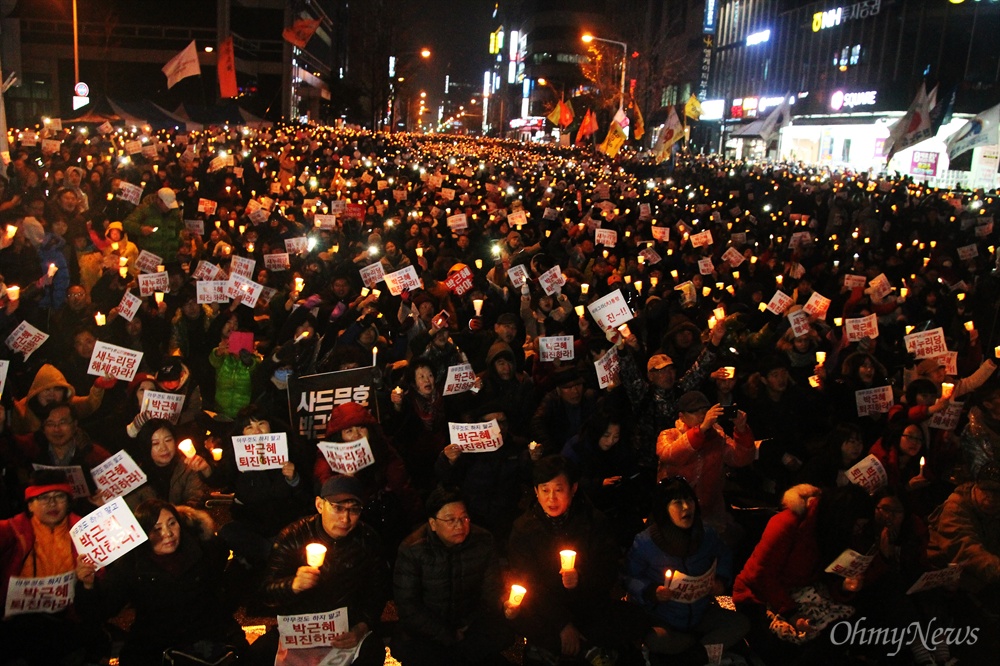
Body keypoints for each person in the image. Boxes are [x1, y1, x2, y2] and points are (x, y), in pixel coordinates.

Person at [506, 455, 647, 665]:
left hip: (587, 604)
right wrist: (563, 624)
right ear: (536, 491)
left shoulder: (594, 522)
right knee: (523, 617)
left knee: (627, 621)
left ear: (573, 489)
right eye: (545, 490)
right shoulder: (524, 529)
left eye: (559, 489)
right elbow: (527, 582)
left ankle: (571, 649)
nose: (551, 498)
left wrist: (580, 578)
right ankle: (585, 649)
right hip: (547, 609)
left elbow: (608, 571)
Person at [75, 499, 248, 665]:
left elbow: (224, 590)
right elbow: (101, 610)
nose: (168, 534)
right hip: (155, 642)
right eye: (156, 529)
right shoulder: (131, 563)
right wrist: (88, 586)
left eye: (172, 523)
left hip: (204, 634)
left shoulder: (202, 549)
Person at [256, 475, 390, 666]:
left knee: (373, 652)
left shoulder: (367, 540)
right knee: (257, 654)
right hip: (299, 629)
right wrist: (292, 585)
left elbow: (377, 593)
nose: (345, 518)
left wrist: (361, 627)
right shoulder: (293, 536)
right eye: (338, 508)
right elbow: (265, 593)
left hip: (346, 628)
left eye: (354, 510)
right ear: (320, 505)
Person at [625, 477, 749, 664]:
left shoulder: (706, 534)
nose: (686, 507)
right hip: (664, 617)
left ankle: (689, 655)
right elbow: (629, 576)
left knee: (740, 624)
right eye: (677, 502)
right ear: (664, 509)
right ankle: (699, 650)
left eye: (689, 500)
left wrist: (721, 580)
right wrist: (652, 591)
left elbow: (724, 555)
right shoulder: (646, 542)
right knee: (656, 639)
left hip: (700, 612)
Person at [392, 486, 513, 665]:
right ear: (433, 524)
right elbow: (407, 605)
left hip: (470, 625)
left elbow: (492, 589)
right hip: (429, 631)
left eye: (464, 518)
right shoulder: (413, 549)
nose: (460, 526)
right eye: (450, 520)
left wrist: (505, 604)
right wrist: (445, 633)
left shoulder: (483, 541)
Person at [0, 470, 95, 665]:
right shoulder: (13, 530)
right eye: (43, 498)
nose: (52, 504)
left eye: (59, 496)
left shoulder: (85, 531)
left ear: (69, 502)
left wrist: (88, 584)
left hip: (67, 623)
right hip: (18, 624)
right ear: (30, 505)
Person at [656, 391, 755, 544]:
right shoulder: (669, 435)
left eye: (704, 411)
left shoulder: (718, 436)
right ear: (682, 416)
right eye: (695, 412)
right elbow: (670, 455)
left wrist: (741, 430)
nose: (702, 416)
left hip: (710, 511)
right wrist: (700, 431)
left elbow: (741, 458)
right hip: (676, 511)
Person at [126, 419, 209, 509]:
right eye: (155, 443)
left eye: (168, 440)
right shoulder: (136, 478)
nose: (163, 448)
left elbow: (196, 500)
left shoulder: (188, 466)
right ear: (146, 446)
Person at [122, 187, 182, 259]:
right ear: (159, 200)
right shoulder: (145, 209)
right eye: (166, 204)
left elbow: (179, 230)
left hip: (170, 258)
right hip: (150, 258)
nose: (169, 208)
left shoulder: (175, 212)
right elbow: (127, 223)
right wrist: (141, 229)